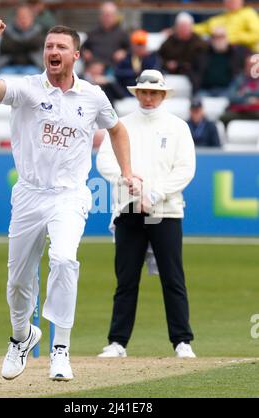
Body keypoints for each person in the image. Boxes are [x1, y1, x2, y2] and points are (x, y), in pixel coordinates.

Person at [0, 20, 133, 381]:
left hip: (69, 196)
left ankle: (61, 350)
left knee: (63, 259)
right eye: (48, 47)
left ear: (76, 55)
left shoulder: (92, 96)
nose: (53, 52)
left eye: (60, 47)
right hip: (29, 195)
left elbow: (117, 130)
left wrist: (127, 172)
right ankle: (21, 337)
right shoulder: (26, 89)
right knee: (18, 282)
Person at [96, 69, 196, 359]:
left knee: (172, 277)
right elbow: (105, 161)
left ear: (163, 95)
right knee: (126, 278)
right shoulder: (122, 125)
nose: (149, 97)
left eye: (154, 93)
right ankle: (117, 342)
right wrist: (129, 182)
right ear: (137, 93)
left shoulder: (177, 127)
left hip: (165, 211)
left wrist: (156, 193)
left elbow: (185, 169)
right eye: (144, 92)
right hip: (129, 209)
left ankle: (182, 341)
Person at [194, 26, 249, 97]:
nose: (218, 39)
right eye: (215, 37)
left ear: (226, 37)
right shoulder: (203, 54)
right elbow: (195, 72)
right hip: (205, 90)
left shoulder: (236, 54)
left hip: (227, 90)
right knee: (197, 102)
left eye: (221, 36)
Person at [159, 12, 206, 90]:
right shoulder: (170, 41)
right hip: (170, 71)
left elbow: (200, 62)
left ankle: (195, 97)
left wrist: (182, 65)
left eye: (186, 27)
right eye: (181, 27)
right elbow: (160, 56)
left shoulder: (198, 42)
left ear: (191, 27)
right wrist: (167, 64)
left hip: (191, 71)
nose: (183, 29)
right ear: (176, 27)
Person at [0, 3, 44, 76]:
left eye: (26, 17)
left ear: (31, 18)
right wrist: (27, 45)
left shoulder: (38, 31)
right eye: (20, 17)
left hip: (32, 66)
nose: (23, 20)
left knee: (35, 77)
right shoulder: (7, 30)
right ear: (15, 18)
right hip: (9, 66)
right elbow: (5, 47)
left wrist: (16, 44)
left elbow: (36, 44)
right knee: (2, 76)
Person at [193, 0, 259, 52]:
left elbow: (256, 34)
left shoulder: (248, 14)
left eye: (234, 1)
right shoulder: (219, 18)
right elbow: (202, 28)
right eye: (229, 1)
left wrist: (232, 38)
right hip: (218, 51)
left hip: (243, 50)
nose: (232, 2)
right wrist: (187, 27)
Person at [81, 1, 130, 69]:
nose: (107, 18)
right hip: (93, 69)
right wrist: (85, 52)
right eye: (105, 15)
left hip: (113, 70)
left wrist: (124, 53)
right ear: (100, 16)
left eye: (110, 15)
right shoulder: (93, 33)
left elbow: (131, 50)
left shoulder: (122, 34)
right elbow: (82, 48)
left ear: (116, 17)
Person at [115, 29, 161, 96]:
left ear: (145, 45)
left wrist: (139, 72)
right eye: (137, 45)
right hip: (127, 91)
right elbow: (118, 73)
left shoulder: (152, 57)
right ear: (132, 45)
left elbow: (154, 74)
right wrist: (133, 72)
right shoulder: (126, 57)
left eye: (142, 45)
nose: (139, 48)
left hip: (146, 91)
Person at [220, 54, 259, 126]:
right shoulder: (239, 79)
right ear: (245, 66)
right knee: (223, 117)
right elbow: (231, 96)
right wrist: (248, 100)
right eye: (249, 65)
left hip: (256, 112)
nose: (252, 68)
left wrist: (244, 93)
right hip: (240, 112)